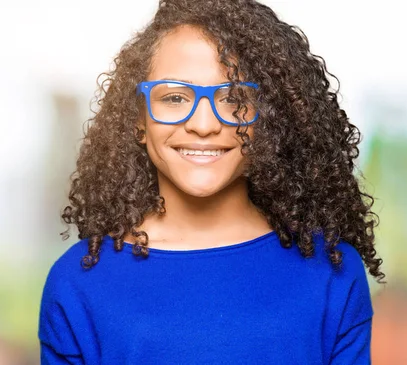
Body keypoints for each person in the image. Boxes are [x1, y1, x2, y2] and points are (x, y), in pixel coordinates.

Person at [38, 0, 385, 363]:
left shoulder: (332, 274)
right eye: (174, 97)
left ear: (267, 120)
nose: (203, 124)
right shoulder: (78, 284)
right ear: (138, 119)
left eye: (234, 98)